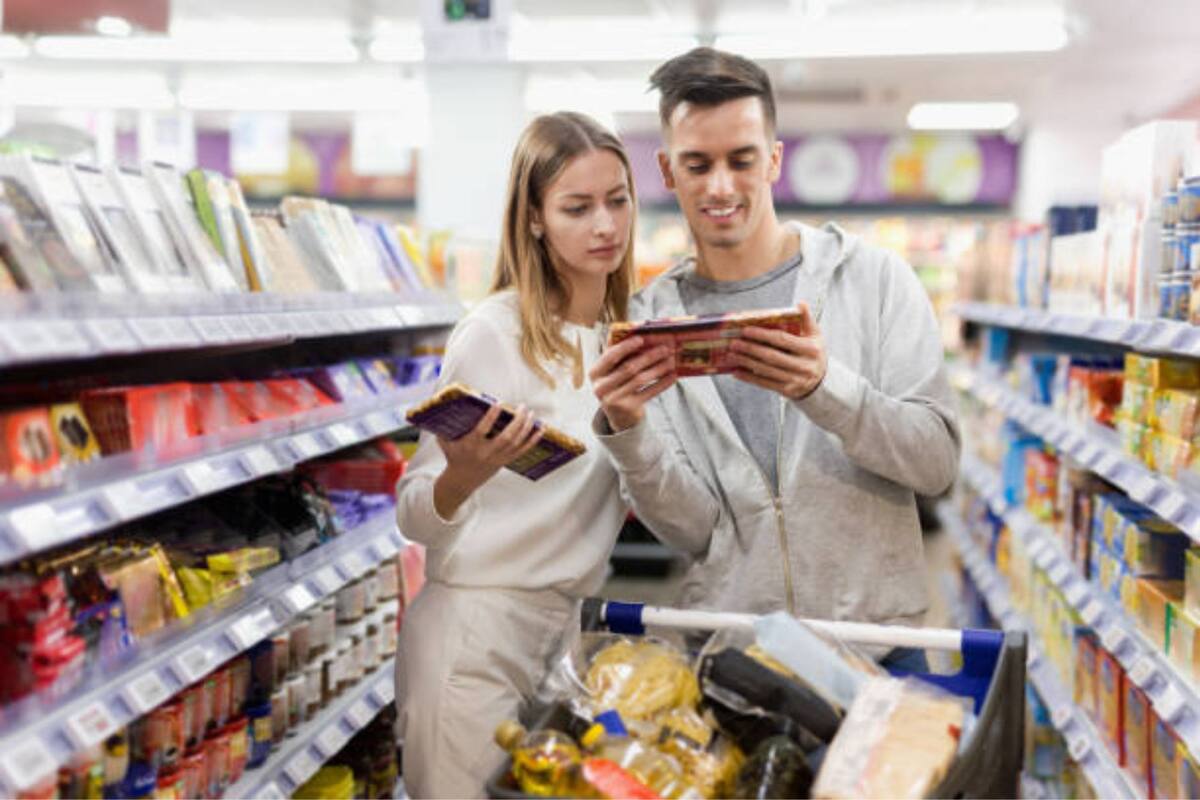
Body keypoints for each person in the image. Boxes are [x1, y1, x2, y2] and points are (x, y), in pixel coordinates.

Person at [589, 47, 960, 671]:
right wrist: (629, 431)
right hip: (736, 655)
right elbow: (691, 529)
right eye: (697, 164)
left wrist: (826, 391)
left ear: (775, 161)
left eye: (742, 160)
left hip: (880, 651)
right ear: (667, 171)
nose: (721, 186)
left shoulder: (873, 280)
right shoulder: (651, 324)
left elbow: (937, 464)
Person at [394, 112, 638, 798]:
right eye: (577, 207)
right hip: (476, 635)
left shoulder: (624, 340)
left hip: (565, 635)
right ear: (533, 219)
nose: (605, 226)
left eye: (617, 200)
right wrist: (462, 477)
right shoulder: (495, 334)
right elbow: (414, 512)